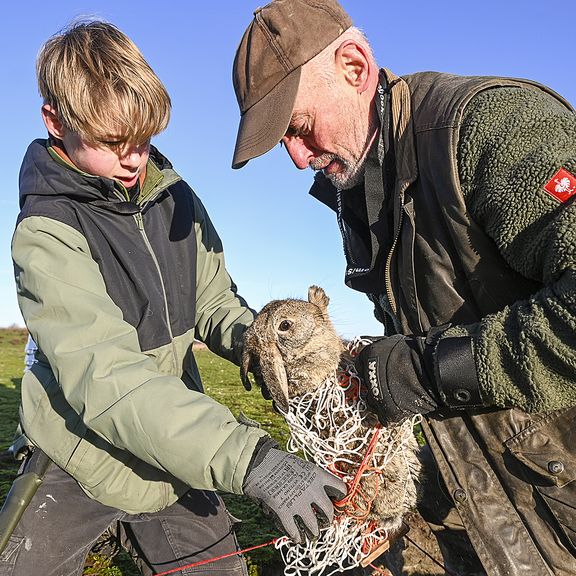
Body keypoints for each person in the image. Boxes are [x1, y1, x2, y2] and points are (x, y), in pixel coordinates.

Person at [231, 1, 576, 575]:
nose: (296, 158)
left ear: (355, 65)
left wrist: (422, 371)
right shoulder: (362, 190)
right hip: (494, 501)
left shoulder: (492, 126)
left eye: (298, 126)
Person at [0, 20, 346, 576]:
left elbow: (213, 302)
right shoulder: (45, 232)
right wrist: (251, 461)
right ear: (55, 122)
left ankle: (135, 528)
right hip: (78, 450)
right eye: (113, 143)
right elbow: (107, 381)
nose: (135, 159)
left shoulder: (174, 197)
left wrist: (265, 343)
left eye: (144, 140)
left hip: (171, 449)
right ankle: (96, 520)